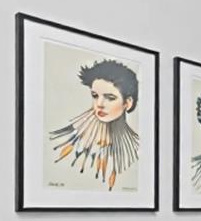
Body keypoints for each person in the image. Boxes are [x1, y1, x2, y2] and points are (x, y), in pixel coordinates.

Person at [49, 59, 140, 191]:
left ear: (128, 103)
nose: (100, 104)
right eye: (95, 95)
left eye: (110, 98)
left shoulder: (136, 147)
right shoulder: (70, 141)